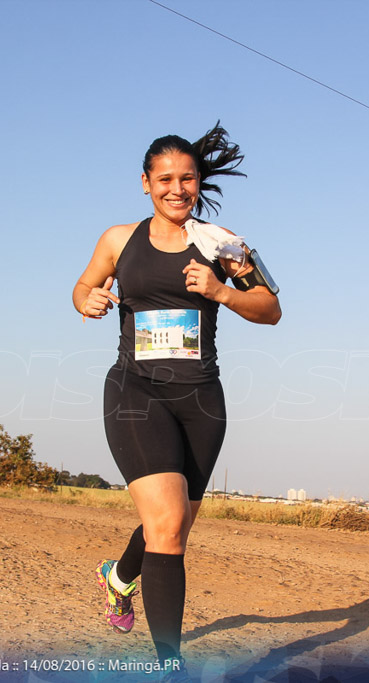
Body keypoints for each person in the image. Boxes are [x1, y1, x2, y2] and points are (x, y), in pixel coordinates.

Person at [73, 122, 281, 675]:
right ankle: (170, 663)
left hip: (201, 400)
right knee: (166, 524)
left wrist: (219, 290)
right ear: (145, 183)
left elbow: (270, 308)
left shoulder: (223, 243)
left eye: (187, 178)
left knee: (174, 524)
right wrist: (87, 301)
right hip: (135, 390)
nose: (177, 188)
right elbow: (83, 285)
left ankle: (118, 577)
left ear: (198, 182)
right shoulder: (119, 239)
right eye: (165, 178)